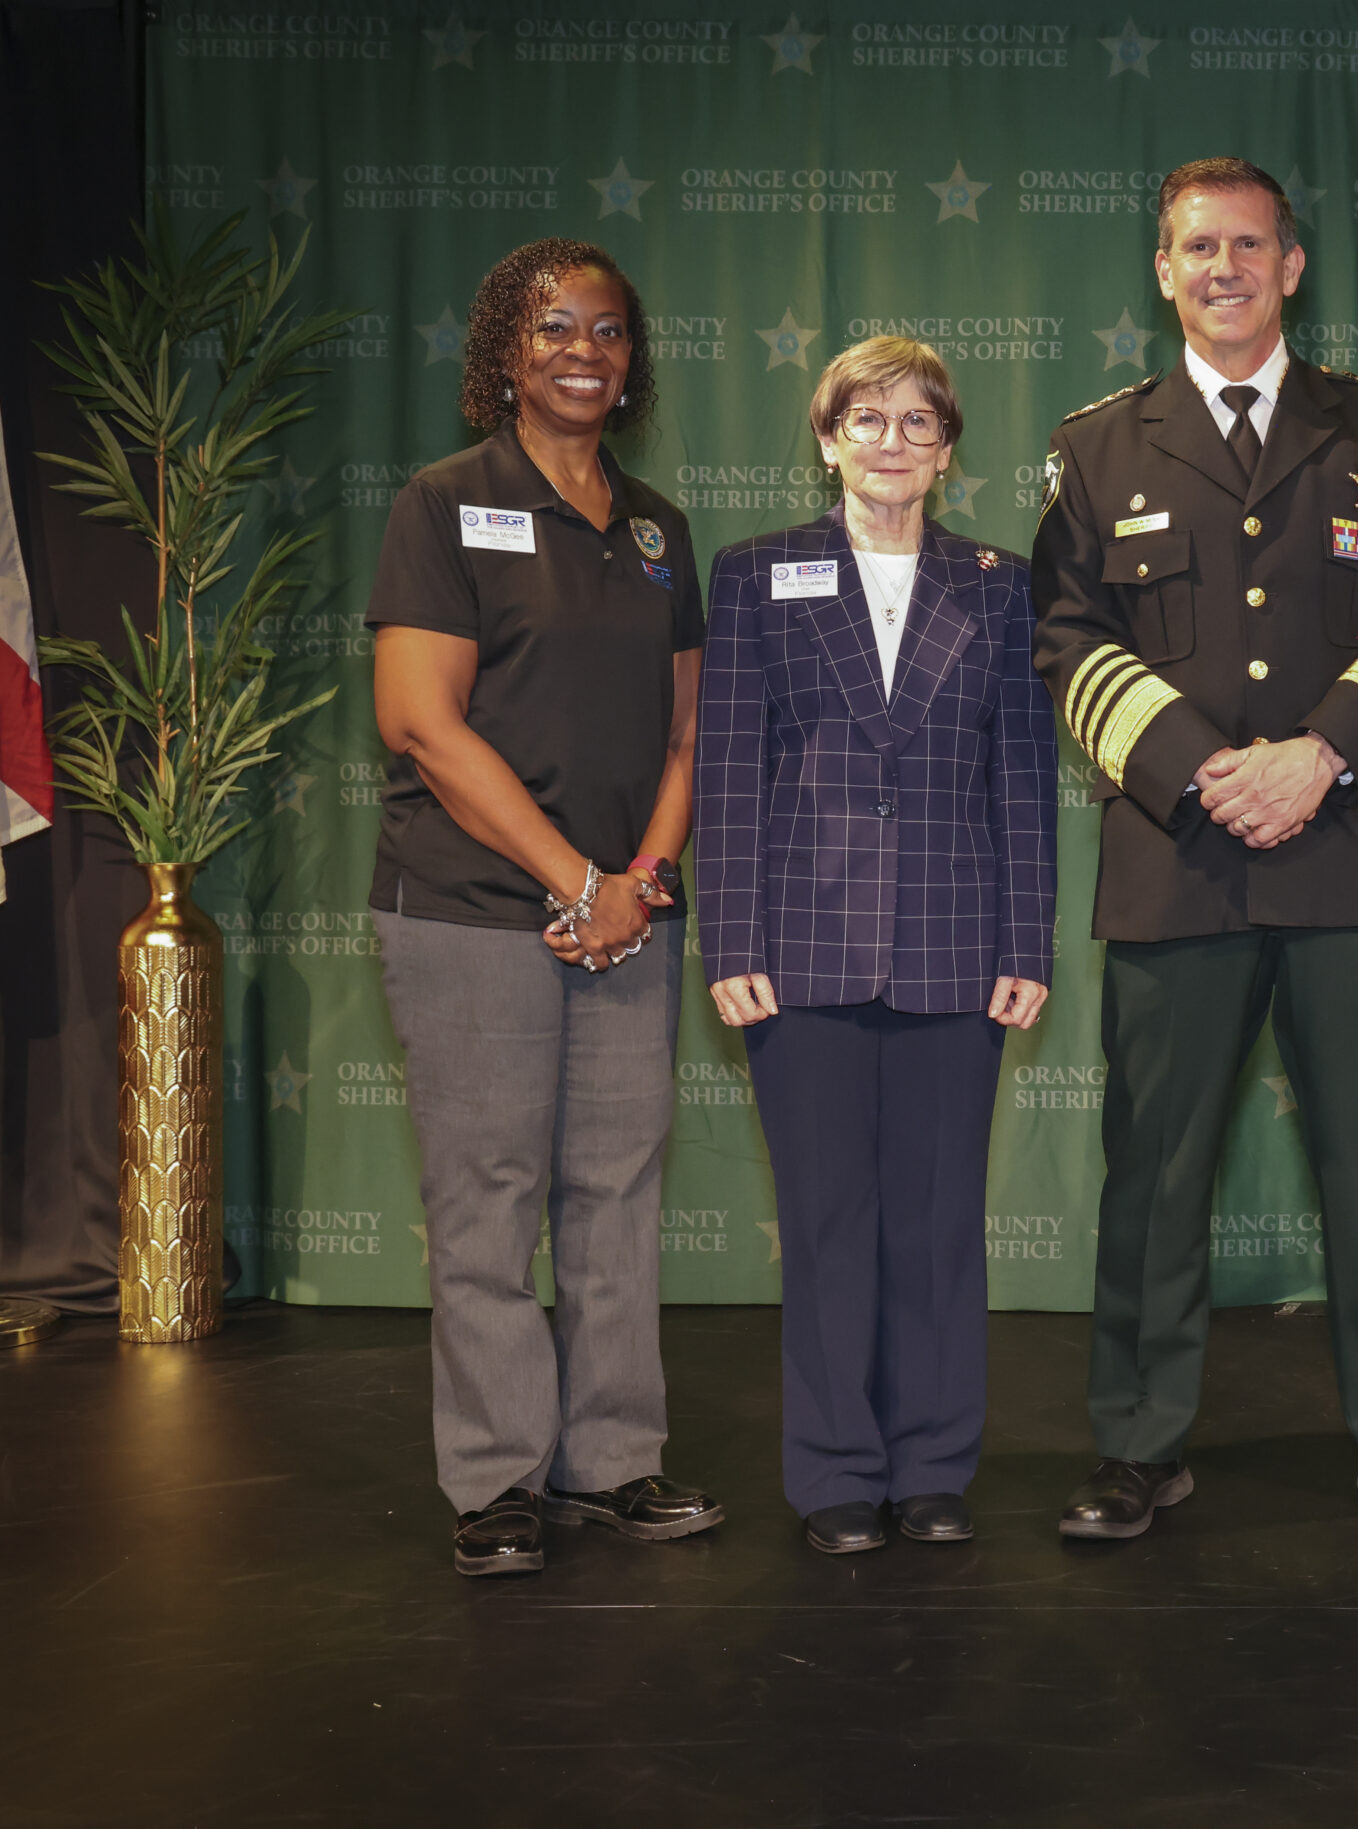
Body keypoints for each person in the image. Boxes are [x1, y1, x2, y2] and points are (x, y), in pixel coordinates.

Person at [1032, 157, 1358, 1542]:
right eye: (1195, 247)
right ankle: (1137, 1441)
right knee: (1155, 1166)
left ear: (1291, 266)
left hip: (1353, 845)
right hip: (1180, 854)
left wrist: (1322, 754)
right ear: (1161, 272)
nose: (1221, 267)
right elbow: (1066, 633)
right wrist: (1196, 767)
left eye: (1247, 245)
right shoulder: (1098, 446)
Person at [368, 239, 721, 1577]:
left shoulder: (657, 528)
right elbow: (422, 724)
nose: (584, 350)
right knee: (489, 1197)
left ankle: (613, 1460)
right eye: (553, 326)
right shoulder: (446, 503)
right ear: (503, 352)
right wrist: (577, 881)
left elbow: (689, 735)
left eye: (608, 329)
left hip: (630, 914)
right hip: (472, 910)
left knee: (616, 1191)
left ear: (634, 361)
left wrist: (637, 885)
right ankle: (498, 1475)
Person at [695, 338, 1056, 1557]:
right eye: (866, 417)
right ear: (826, 439)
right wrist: (729, 937)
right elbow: (729, 768)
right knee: (826, 1223)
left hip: (959, 944)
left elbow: (1023, 778)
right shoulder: (754, 574)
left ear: (948, 450)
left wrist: (1028, 939)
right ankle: (836, 1470)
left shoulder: (999, 586)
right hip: (799, 946)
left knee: (940, 1224)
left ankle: (933, 1464)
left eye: (917, 421)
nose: (891, 440)